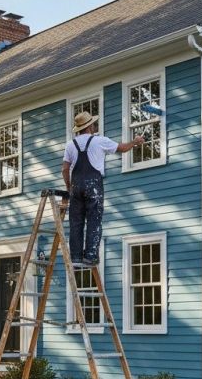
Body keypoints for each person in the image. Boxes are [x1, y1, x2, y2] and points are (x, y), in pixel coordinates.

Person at [61, 110, 145, 266]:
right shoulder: (99, 141)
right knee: (94, 218)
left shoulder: (70, 145)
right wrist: (135, 142)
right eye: (93, 124)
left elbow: (65, 169)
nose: (94, 126)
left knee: (76, 221)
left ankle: (76, 256)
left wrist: (69, 187)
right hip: (93, 184)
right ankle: (91, 255)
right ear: (90, 126)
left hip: (76, 186)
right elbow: (122, 148)